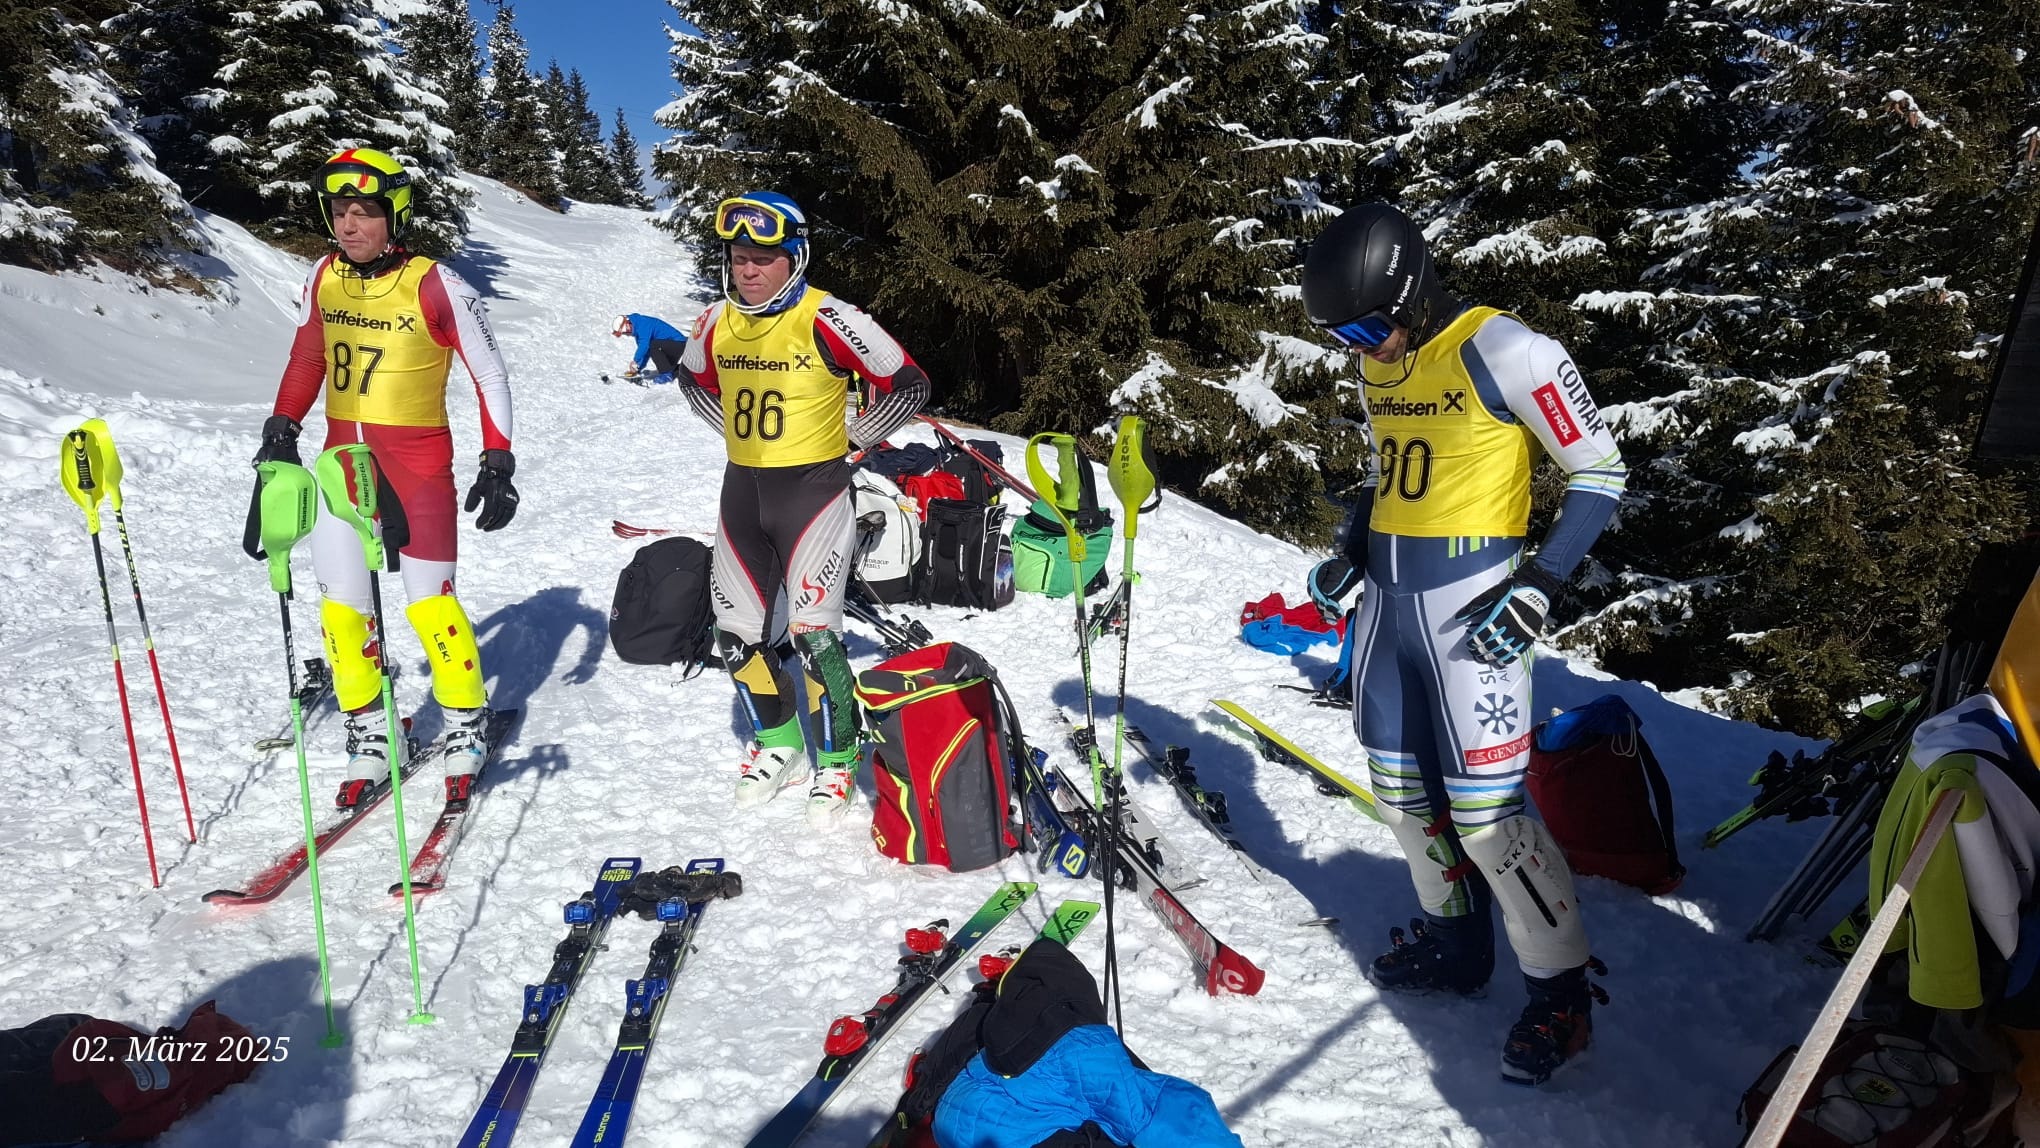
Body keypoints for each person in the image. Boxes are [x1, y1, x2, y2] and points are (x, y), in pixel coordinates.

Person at [1299, 202, 1628, 1085]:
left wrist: (1542, 581)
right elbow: (1392, 470)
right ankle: (1456, 946)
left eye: (1368, 327)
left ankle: (1561, 994)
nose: (1363, 349)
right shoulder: (1382, 359)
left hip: (1472, 612)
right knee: (1402, 799)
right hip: (1388, 612)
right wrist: (1350, 555)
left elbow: (1600, 470)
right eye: (1343, 337)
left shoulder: (1507, 349)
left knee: (1487, 821)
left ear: (1411, 289)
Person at [252, 147, 518, 808]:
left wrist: (497, 459)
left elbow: (489, 374)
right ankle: (372, 733)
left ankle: (465, 721)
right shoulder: (324, 275)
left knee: (431, 605)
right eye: (339, 212)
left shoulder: (437, 283)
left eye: (364, 212)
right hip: (340, 467)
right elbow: (308, 354)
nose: (348, 225)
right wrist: (283, 423)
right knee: (343, 611)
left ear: (393, 216)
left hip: (416, 467)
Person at [673, 191, 929, 825]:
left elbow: (910, 384)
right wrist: (731, 431)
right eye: (738, 257)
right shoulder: (714, 320)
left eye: (763, 258)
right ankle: (781, 745)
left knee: (814, 634)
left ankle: (837, 756)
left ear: (794, 257)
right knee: (736, 634)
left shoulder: (828, 316)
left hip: (814, 494)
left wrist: (857, 441)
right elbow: (690, 378)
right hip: (742, 493)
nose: (748, 270)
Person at [612, 313, 689, 382]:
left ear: (628, 325)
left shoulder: (643, 324)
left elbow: (645, 346)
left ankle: (666, 374)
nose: (627, 335)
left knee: (653, 345)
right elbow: (646, 351)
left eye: (625, 332)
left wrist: (635, 360)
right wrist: (638, 367)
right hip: (670, 346)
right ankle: (684, 370)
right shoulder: (639, 331)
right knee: (669, 367)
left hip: (678, 343)